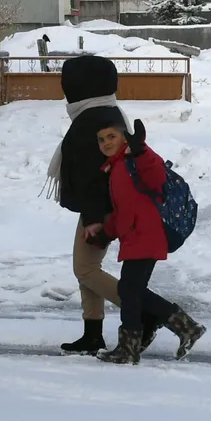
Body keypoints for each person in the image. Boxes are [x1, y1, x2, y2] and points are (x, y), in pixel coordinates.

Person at [44, 55, 163, 356]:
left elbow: (99, 174)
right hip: (98, 206)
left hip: (100, 209)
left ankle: (146, 310)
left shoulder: (92, 120)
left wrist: (96, 218)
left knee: (84, 269)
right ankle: (92, 333)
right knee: (88, 268)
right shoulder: (105, 112)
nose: (64, 90)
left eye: (67, 83)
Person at [89, 116, 206, 365]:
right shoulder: (117, 167)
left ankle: (133, 347)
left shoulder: (136, 159)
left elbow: (157, 179)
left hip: (147, 234)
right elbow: (124, 210)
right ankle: (184, 328)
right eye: (101, 139)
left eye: (112, 136)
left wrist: (141, 150)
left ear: (123, 137)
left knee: (129, 289)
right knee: (131, 290)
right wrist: (106, 233)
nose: (106, 142)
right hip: (136, 235)